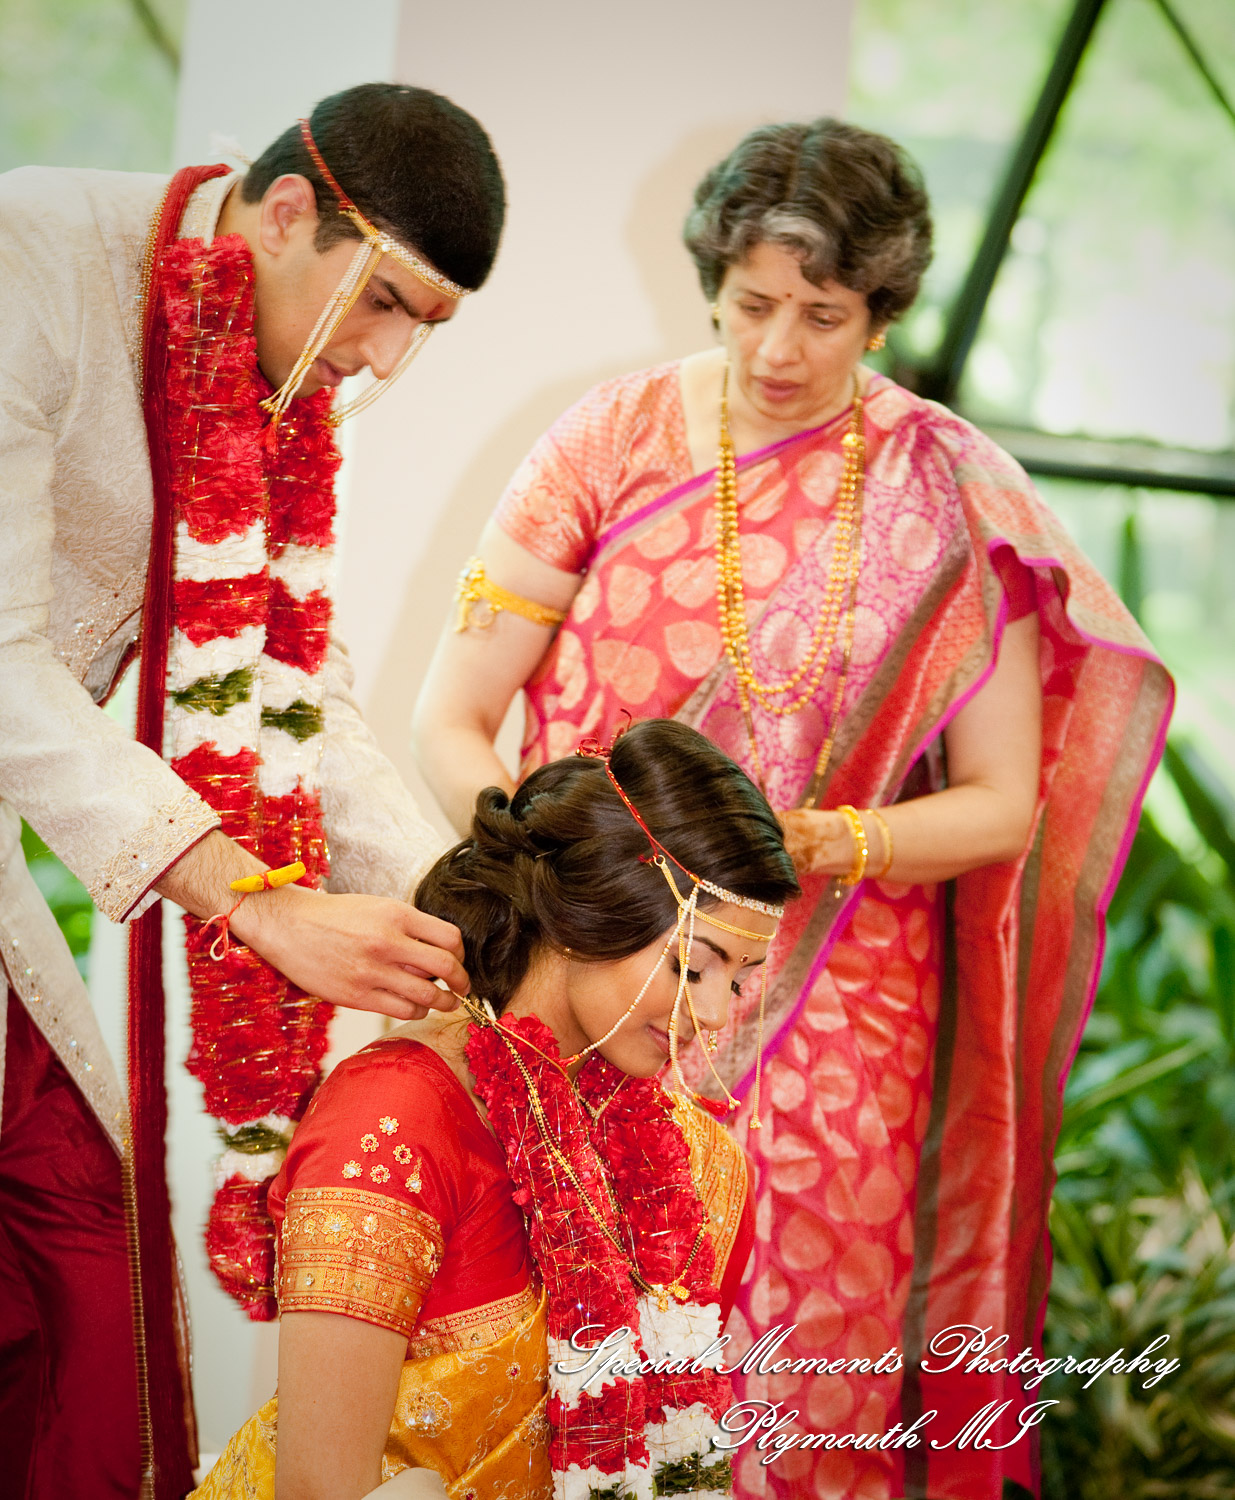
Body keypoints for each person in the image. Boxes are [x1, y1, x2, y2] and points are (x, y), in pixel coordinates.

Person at [411, 119, 1173, 1500]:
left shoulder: (944, 490)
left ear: (878, 314)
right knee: (557, 1369)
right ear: (710, 278)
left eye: (822, 316)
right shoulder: (610, 438)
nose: (777, 348)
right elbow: (449, 716)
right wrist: (561, 885)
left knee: (797, 1382)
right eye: (752, 304)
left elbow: (1003, 803)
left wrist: (827, 843)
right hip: (600, 985)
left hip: (839, 1033)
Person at [0, 84, 503, 1499]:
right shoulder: (33, 257)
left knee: (84, 1281)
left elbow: (298, 702)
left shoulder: (270, 385)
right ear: (288, 214)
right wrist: (257, 905)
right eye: (387, 304)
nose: (385, 358)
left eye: (424, 329)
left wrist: (460, 918)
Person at [193, 718, 800, 1500]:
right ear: (591, 915)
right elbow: (321, 1488)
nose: (716, 1014)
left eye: (741, 979)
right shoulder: (392, 1124)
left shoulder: (697, 1169)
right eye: (692, 964)